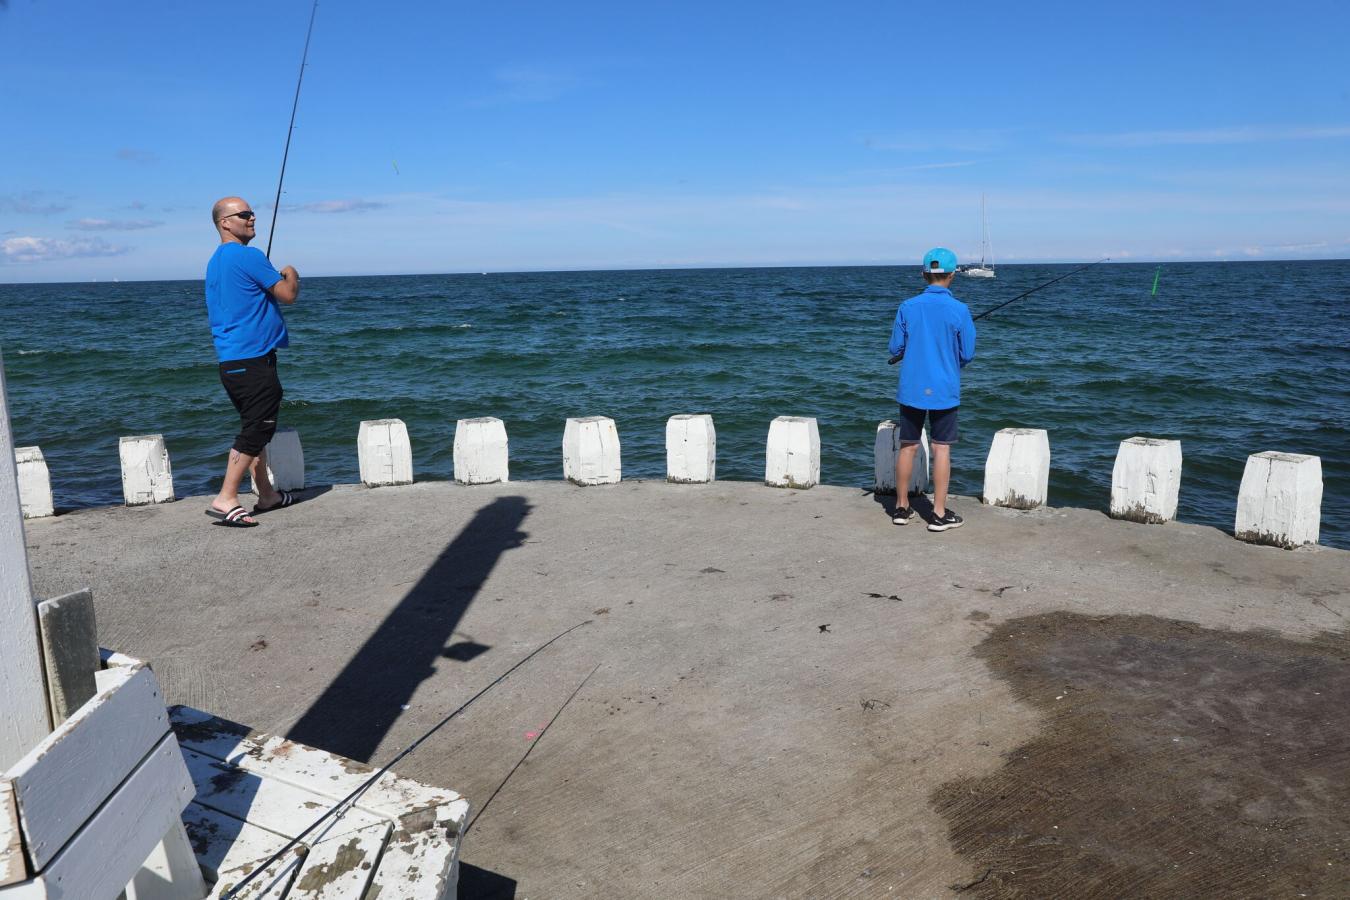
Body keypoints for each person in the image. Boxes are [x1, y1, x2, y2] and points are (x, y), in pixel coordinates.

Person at [203, 196, 300, 527]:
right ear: (225, 223)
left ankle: (267, 495)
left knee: (254, 427)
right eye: (244, 214)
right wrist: (291, 273)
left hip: (231, 362)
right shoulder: (249, 256)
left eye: (253, 212)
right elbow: (288, 294)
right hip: (253, 359)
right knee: (259, 427)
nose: (252, 218)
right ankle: (226, 497)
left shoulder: (216, 261)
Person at [887, 247, 976, 532]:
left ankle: (901, 508)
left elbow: (895, 347)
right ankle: (938, 513)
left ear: (924, 274)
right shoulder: (960, 310)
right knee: (941, 448)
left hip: (911, 387)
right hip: (944, 388)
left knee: (908, 446)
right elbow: (967, 353)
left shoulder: (907, 307)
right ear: (952, 275)